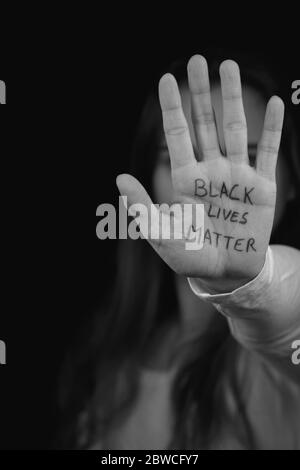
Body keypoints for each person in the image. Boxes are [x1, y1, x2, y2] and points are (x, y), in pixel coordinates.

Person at [60, 49, 300, 450]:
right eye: (176, 158)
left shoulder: (281, 359)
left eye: (251, 158)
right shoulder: (110, 356)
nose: (216, 187)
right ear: (147, 183)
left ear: (292, 184)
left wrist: (251, 282)